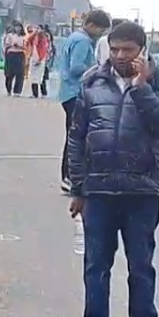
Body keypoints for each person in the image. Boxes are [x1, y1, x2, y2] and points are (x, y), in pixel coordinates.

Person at [67, 20, 159, 317]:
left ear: (142, 51)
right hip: (99, 190)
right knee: (96, 265)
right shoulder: (92, 81)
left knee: (141, 266)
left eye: (127, 50)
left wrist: (142, 87)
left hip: (142, 191)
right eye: (114, 49)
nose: (119, 56)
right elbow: (77, 137)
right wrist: (78, 186)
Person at [57, 10, 112, 192]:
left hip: (68, 91)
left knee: (74, 134)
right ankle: (70, 176)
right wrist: (96, 68)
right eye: (100, 30)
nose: (100, 34)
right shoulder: (83, 41)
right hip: (75, 91)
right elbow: (76, 67)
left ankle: (70, 175)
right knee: (77, 137)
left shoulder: (74, 37)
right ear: (91, 25)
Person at [1, 22, 26, 96]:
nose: (18, 29)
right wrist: (12, 45)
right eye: (16, 27)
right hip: (11, 54)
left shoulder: (24, 37)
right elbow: (6, 45)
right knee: (9, 73)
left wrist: (19, 46)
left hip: (20, 54)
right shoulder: (10, 36)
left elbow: (27, 46)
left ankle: (17, 91)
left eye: (19, 27)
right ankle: (8, 89)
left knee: (20, 74)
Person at [26, 24, 50, 98]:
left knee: (40, 76)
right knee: (33, 77)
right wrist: (34, 33)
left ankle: (44, 93)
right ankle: (35, 93)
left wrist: (40, 59)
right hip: (33, 56)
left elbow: (44, 49)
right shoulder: (34, 37)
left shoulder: (43, 38)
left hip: (40, 58)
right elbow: (28, 40)